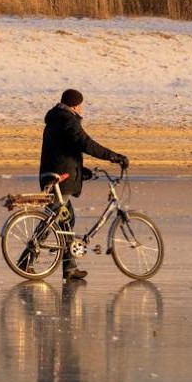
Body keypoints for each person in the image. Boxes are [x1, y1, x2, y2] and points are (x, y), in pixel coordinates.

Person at [38, 89, 128, 281]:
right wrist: (114, 157)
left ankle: (70, 268)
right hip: (60, 179)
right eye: (80, 105)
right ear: (74, 105)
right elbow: (86, 144)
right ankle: (27, 258)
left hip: (51, 175)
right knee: (53, 220)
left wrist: (80, 169)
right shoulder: (68, 120)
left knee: (65, 220)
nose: (81, 108)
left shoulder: (55, 120)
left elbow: (63, 151)